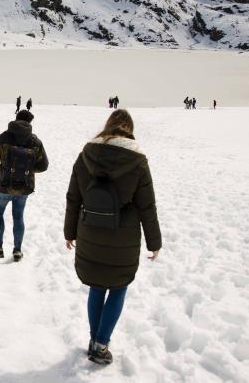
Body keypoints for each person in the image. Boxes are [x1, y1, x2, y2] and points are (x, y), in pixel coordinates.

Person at [63, 109, 162, 365]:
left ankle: (94, 340)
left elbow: (74, 197)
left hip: (90, 233)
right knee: (118, 287)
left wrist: (69, 232)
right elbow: (146, 206)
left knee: (97, 286)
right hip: (123, 239)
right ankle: (101, 344)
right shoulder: (138, 161)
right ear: (129, 129)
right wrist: (154, 243)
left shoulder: (86, 155)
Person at [0, 110, 49, 262]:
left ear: (16, 119)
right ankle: (17, 250)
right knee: (18, 217)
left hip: (3, 186)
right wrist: (27, 172)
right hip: (23, 188)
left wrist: (1, 172)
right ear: (30, 122)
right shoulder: (35, 141)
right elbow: (44, 165)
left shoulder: (3, 137)